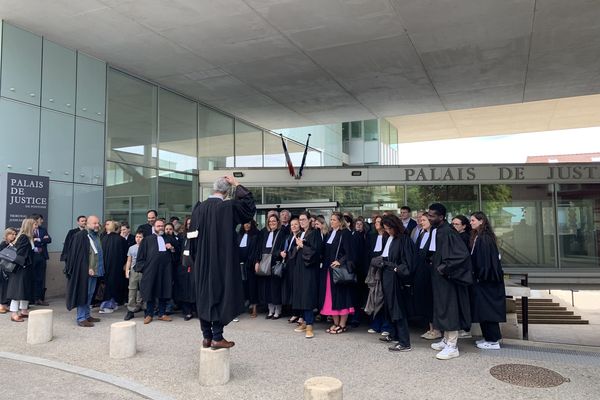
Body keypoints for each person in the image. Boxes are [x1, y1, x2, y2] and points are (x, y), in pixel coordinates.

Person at [189, 176, 256, 349]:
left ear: (213, 189)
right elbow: (249, 208)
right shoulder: (228, 207)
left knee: (204, 295)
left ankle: (206, 337)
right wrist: (237, 184)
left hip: (202, 261)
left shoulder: (199, 208)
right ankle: (217, 337)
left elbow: (191, 237)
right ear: (227, 191)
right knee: (221, 294)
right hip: (222, 259)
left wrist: (195, 260)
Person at [427, 203, 473, 360]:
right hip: (440, 279)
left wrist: (444, 268)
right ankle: (446, 340)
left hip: (447, 279)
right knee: (442, 307)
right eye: (429, 214)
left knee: (449, 308)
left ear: (441, 217)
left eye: (432, 215)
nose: (429, 217)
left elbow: (462, 255)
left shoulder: (448, 232)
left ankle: (452, 346)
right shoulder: (438, 230)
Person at [378, 214, 416, 352]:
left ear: (395, 226)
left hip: (395, 277)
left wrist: (395, 268)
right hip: (388, 275)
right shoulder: (390, 238)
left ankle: (405, 342)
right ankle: (395, 335)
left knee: (397, 307)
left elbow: (408, 263)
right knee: (390, 306)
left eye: (389, 228)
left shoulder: (404, 240)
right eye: (386, 229)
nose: (387, 231)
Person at [470, 211, 506, 350]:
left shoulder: (484, 238)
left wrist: (480, 275)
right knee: (483, 310)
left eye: (473, 220)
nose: (471, 222)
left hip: (487, 280)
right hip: (483, 280)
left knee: (488, 310)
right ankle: (488, 337)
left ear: (481, 221)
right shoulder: (480, 236)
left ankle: (493, 340)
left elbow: (486, 262)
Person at [65, 215, 104, 327]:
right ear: (87, 223)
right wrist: (87, 267)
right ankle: (81, 318)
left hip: (95, 270)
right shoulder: (81, 236)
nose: (97, 225)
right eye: (94, 223)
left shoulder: (96, 236)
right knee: (84, 293)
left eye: (98, 223)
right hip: (85, 272)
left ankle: (87, 315)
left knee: (90, 293)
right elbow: (77, 255)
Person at [320, 212, 355, 334]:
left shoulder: (345, 233)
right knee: (331, 296)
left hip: (339, 270)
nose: (332, 222)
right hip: (328, 269)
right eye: (331, 220)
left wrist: (340, 261)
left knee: (342, 296)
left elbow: (350, 252)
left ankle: (342, 324)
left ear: (340, 222)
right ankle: (335, 323)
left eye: (334, 220)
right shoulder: (330, 233)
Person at [292, 212, 323, 338]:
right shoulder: (299, 233)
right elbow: (293, 251)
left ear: (310, 220)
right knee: (300, 294)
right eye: (300, 220)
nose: (301, 221)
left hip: (309, 270)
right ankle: (304, 322)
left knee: (307, 295)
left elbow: (316, 252)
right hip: (299, 268)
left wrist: (302, 246)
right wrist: (298, 247)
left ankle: (310, 325)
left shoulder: (315, 233)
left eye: (304, 219)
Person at [136, 219, 173, 324]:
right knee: (150, 292)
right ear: (154, 227)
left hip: (165, 270)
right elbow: (141, 256)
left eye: (162, 226)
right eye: (158, 226)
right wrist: (145, 268)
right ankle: (149, 314)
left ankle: (162, 314)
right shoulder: (147, 240)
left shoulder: (169, 239)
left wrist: (172, 248)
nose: (160, 228)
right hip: (151, 270)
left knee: (163, 291)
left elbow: (176, 254)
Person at [414, 213, 440, 340]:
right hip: (421, 270)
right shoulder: (422, 233)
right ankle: (430, 328)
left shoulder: (435, 233)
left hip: (430, 270)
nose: (421, 222)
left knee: (432, 299)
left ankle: (436, 329)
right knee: (425, 299)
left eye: (424, 220)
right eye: (420, 220)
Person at [6, 219, 37, 322]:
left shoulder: (29, 237)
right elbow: (20, 254)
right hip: (21, 269)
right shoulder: (24, 237)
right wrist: (25, 263)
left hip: (26, 268)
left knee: (25, 289)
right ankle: (14, 314)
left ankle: (23, 311)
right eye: (34, 225)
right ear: (29, 226)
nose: (36, 227)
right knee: (17, 291)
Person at [257, 214, 286, 319]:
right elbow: (260, 248)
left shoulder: (281, 233)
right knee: (267, 288)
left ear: (278, 222)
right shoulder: (265, 233)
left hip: (275, 263)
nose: (272, 223)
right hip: (265, 263)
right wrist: (257, 261)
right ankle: (270, 310)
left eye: (274, 221)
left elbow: (283, 248)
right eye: (270, 221)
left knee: (276, 287)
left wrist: (278, 253)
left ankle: (278, 311)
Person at [365, 215, 390, 336]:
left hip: (384, 270)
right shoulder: (372, 237)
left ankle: (386, 326)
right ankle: (375, 324)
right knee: (374, 297)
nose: (377, 223)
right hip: (373, 271)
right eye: (376, 221)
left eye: (380, 222)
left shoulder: (388, 237)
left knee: (383, 299)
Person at [100, 220, 128, 313]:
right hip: (117, 267)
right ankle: (112, 304)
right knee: (115, 285)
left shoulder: (103, 239)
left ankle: (109, 305)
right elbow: (125, 254)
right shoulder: (121, 239)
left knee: (107, 285)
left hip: (105, 266)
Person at [174, 218, 196, 321]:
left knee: (194, 288)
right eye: (188, 224)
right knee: (184, 289)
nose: (189, 225)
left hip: (195, 266)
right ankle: (187, 312)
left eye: (191, 224)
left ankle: (196, 310)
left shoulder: (198, 236)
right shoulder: (181, 236)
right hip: (183, 266)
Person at [238, 220, 260, 318]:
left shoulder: (255, 236)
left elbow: (255, 250)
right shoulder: (239, 235)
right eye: (245, 223)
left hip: (249, 264)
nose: (247, 225)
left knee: (252, 286)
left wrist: (254, 261)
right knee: (241, 286)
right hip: (239, 264)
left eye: (249, 223)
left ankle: (254, 308)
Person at [30, 214, 52, 305]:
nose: (42, 221)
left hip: (42, 256)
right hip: (32, 257)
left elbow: (49, 240)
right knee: (31, 278)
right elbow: (30, 241)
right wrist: (42, 240)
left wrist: (38, 239)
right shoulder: (29, 230)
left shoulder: (43, 230)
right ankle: (30, 299)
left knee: (40, 278)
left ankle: (39, 299)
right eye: (40, 220)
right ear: (35, 220)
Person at [124, 231, 144, 321]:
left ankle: (144, 307)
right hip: (134, 270)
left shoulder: (146, 247)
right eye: (137, 237)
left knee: (143, 289)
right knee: (132, 290)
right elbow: (129, 260)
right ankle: (130, 310)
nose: (138, 239)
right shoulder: (131, 248)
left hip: (143, 271)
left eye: (140, 237)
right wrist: (127, 270)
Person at [0, 228, 18, 314]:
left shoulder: (13, 244)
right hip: (3, 268)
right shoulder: (3, 244)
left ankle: (6, 304)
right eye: (12, 234)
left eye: (15, 234)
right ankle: (1, 305)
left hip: (10, 268)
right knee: (3, 286)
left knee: (7, 286)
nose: (14, 236)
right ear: (7, 235)